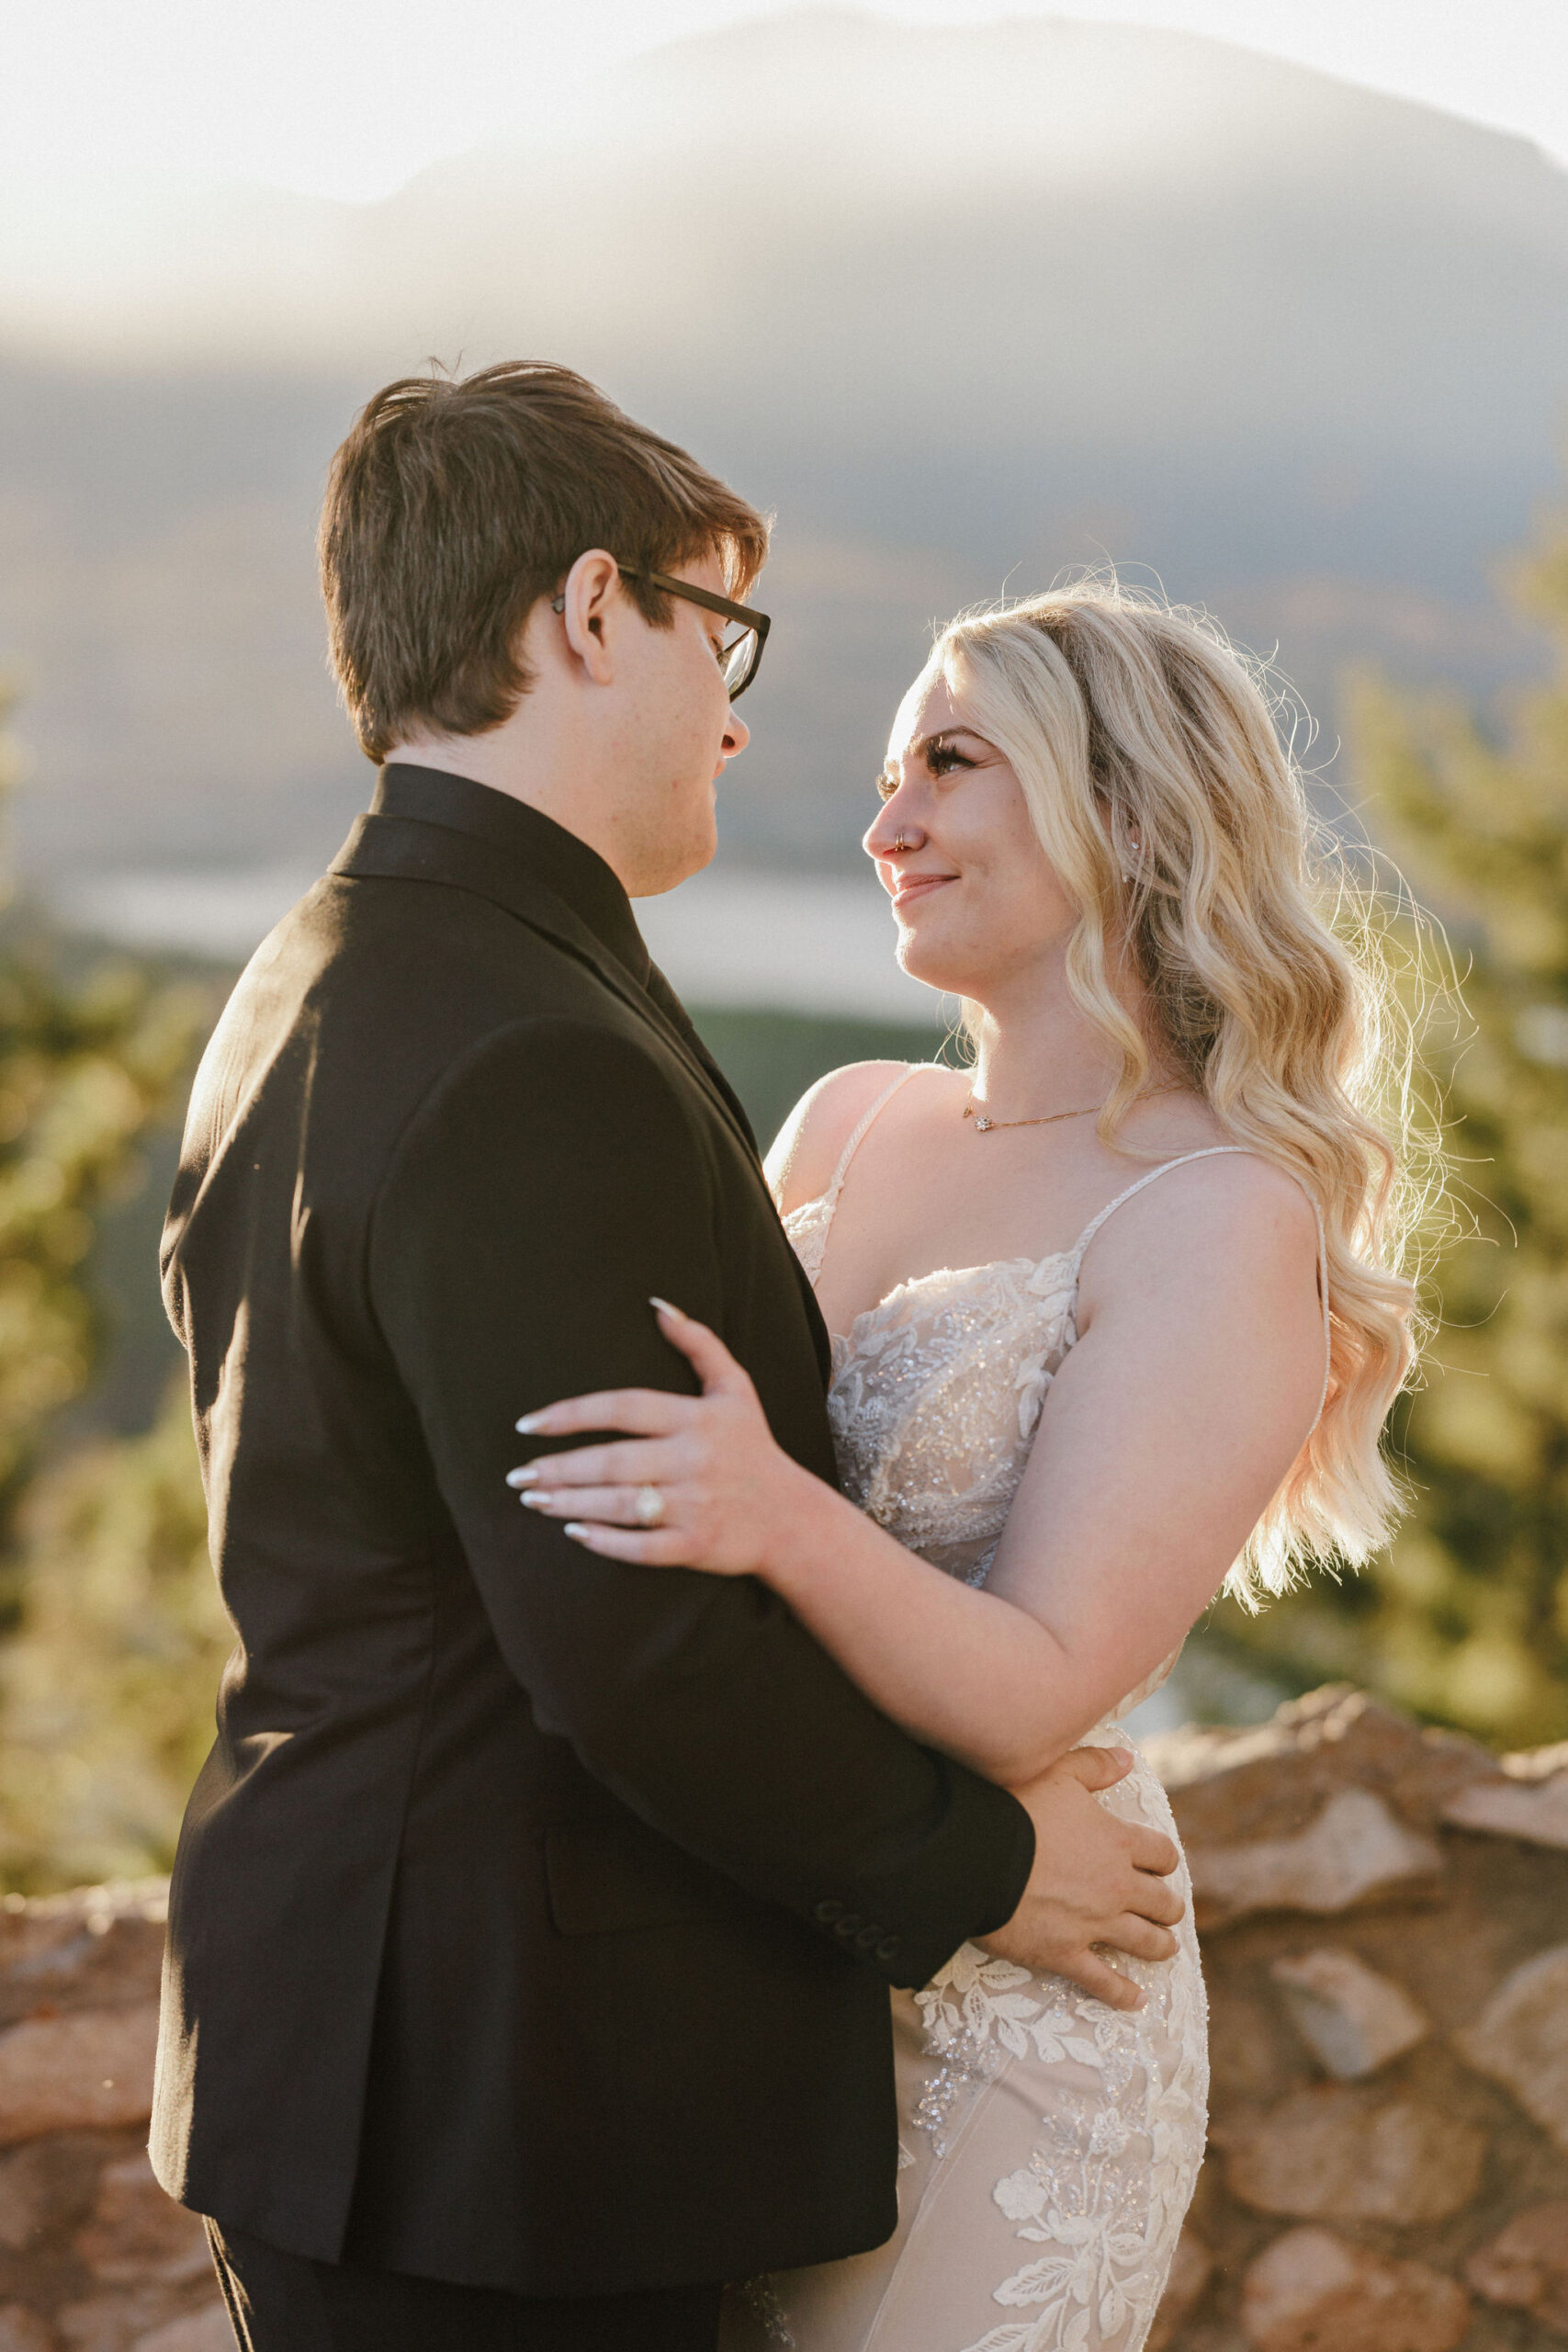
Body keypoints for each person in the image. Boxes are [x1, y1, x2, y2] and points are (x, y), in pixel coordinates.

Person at [150, 366, 1185, 2352]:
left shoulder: (315, 971)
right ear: (591, 609)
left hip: (353, 2039)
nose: (733, 706)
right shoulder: (531, 1046)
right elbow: (628, 1630)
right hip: (516, 2097)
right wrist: (984, 1868)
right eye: (723, 633)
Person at [511, 582, 1427, 2352]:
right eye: (885, 773)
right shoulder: (848, 1121)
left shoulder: (1221, 1217)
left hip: (1018, 2011)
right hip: (763, 1946)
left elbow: (1033, 1691)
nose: (885, 824)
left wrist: (769, 1513)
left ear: (1135, 811)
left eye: (951, 761)